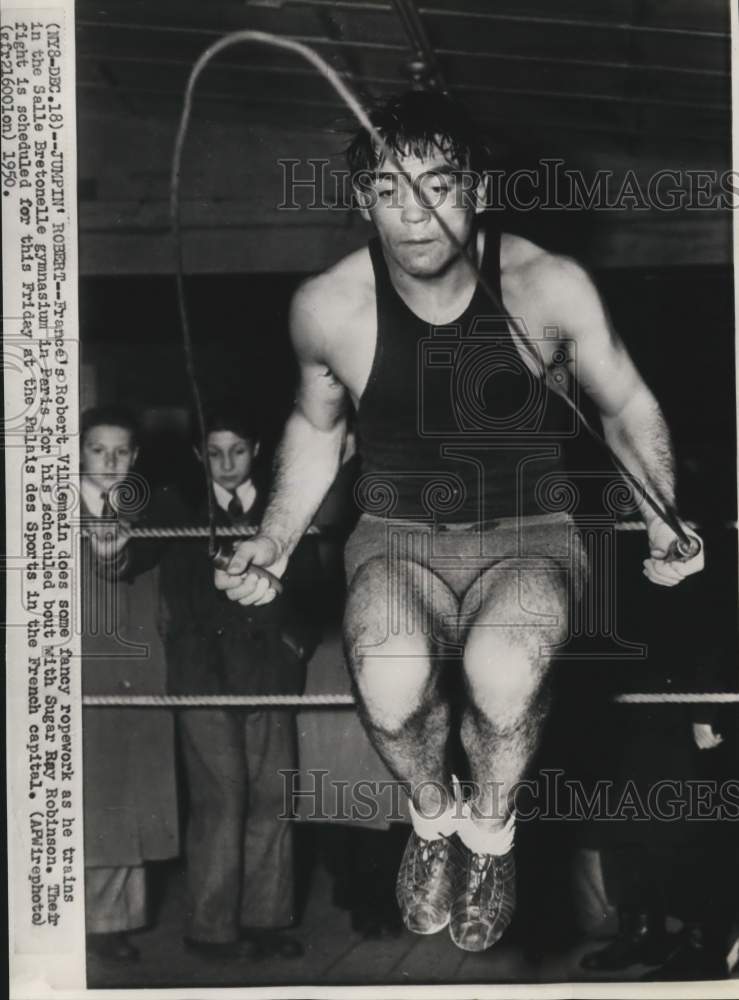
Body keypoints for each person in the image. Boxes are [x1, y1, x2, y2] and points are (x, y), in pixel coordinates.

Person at [214, 91, 704, 953]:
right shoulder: (329, 306)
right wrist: (275, 538)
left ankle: (490, 832)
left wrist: (660, 514)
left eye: (437, 185)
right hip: (396, 538)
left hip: (531, 532)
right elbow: (315, 428)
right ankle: (432, 819)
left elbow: (625, 403)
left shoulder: (547, 285)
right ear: (362, 198)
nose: (415, 214)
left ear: (476, 186)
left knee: (504, 669)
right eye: (390, 190)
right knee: (392, 678)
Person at [161, 405, 319, 960]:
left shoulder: (287, 514)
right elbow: (136, 562)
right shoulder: (177, 510)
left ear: (257, 451)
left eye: (239, 450)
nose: (227, 463)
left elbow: (316, 589)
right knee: (219, 800)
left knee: (274, 798)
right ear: (199, 455)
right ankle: (210, 929)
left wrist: (291, 643)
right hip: (203, 678)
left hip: (269, 676)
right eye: (215, 452)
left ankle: (267, 922)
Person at [80, 406, 179, 962]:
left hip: (137, 668)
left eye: (121, 451)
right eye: (99, 450)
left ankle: (113, 921)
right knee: (92, 796)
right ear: (79, 451)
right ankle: (84, 920)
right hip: (79, 667)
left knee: (129, 797)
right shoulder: (50, 509)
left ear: (135, 457)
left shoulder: (154, 510)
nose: (111, 462)